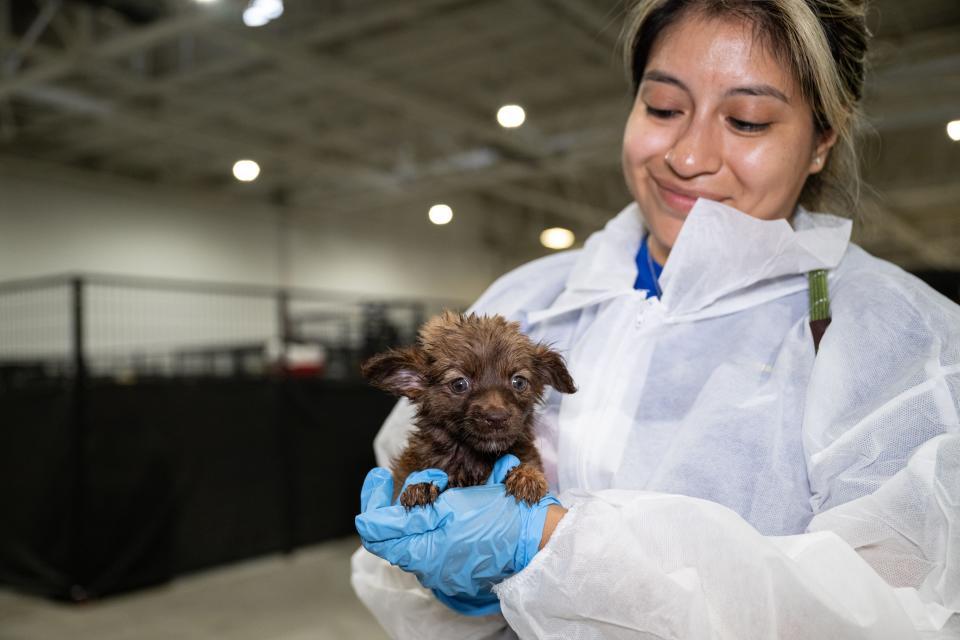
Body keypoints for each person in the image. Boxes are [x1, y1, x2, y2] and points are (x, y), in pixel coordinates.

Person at [351, 0, 960, 637]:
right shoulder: (531, 298)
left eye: (748, 120)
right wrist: (447, 580)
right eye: (664, 107)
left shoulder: (904, 340)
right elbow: (395, 545)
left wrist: (554, 544)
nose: (689, 155)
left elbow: (893, 612)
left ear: (821, 142)